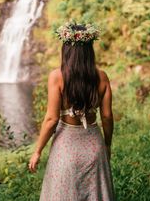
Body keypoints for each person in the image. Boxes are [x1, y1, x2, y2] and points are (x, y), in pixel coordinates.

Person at [28, 21, 115, 201]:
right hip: (94, 147)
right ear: (89, 50)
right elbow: (106, 116)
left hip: (65, 150)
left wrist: (38, 150)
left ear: (66, 48)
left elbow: (51, 119)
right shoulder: (102, 77)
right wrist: (107, 145)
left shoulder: (57, 77)